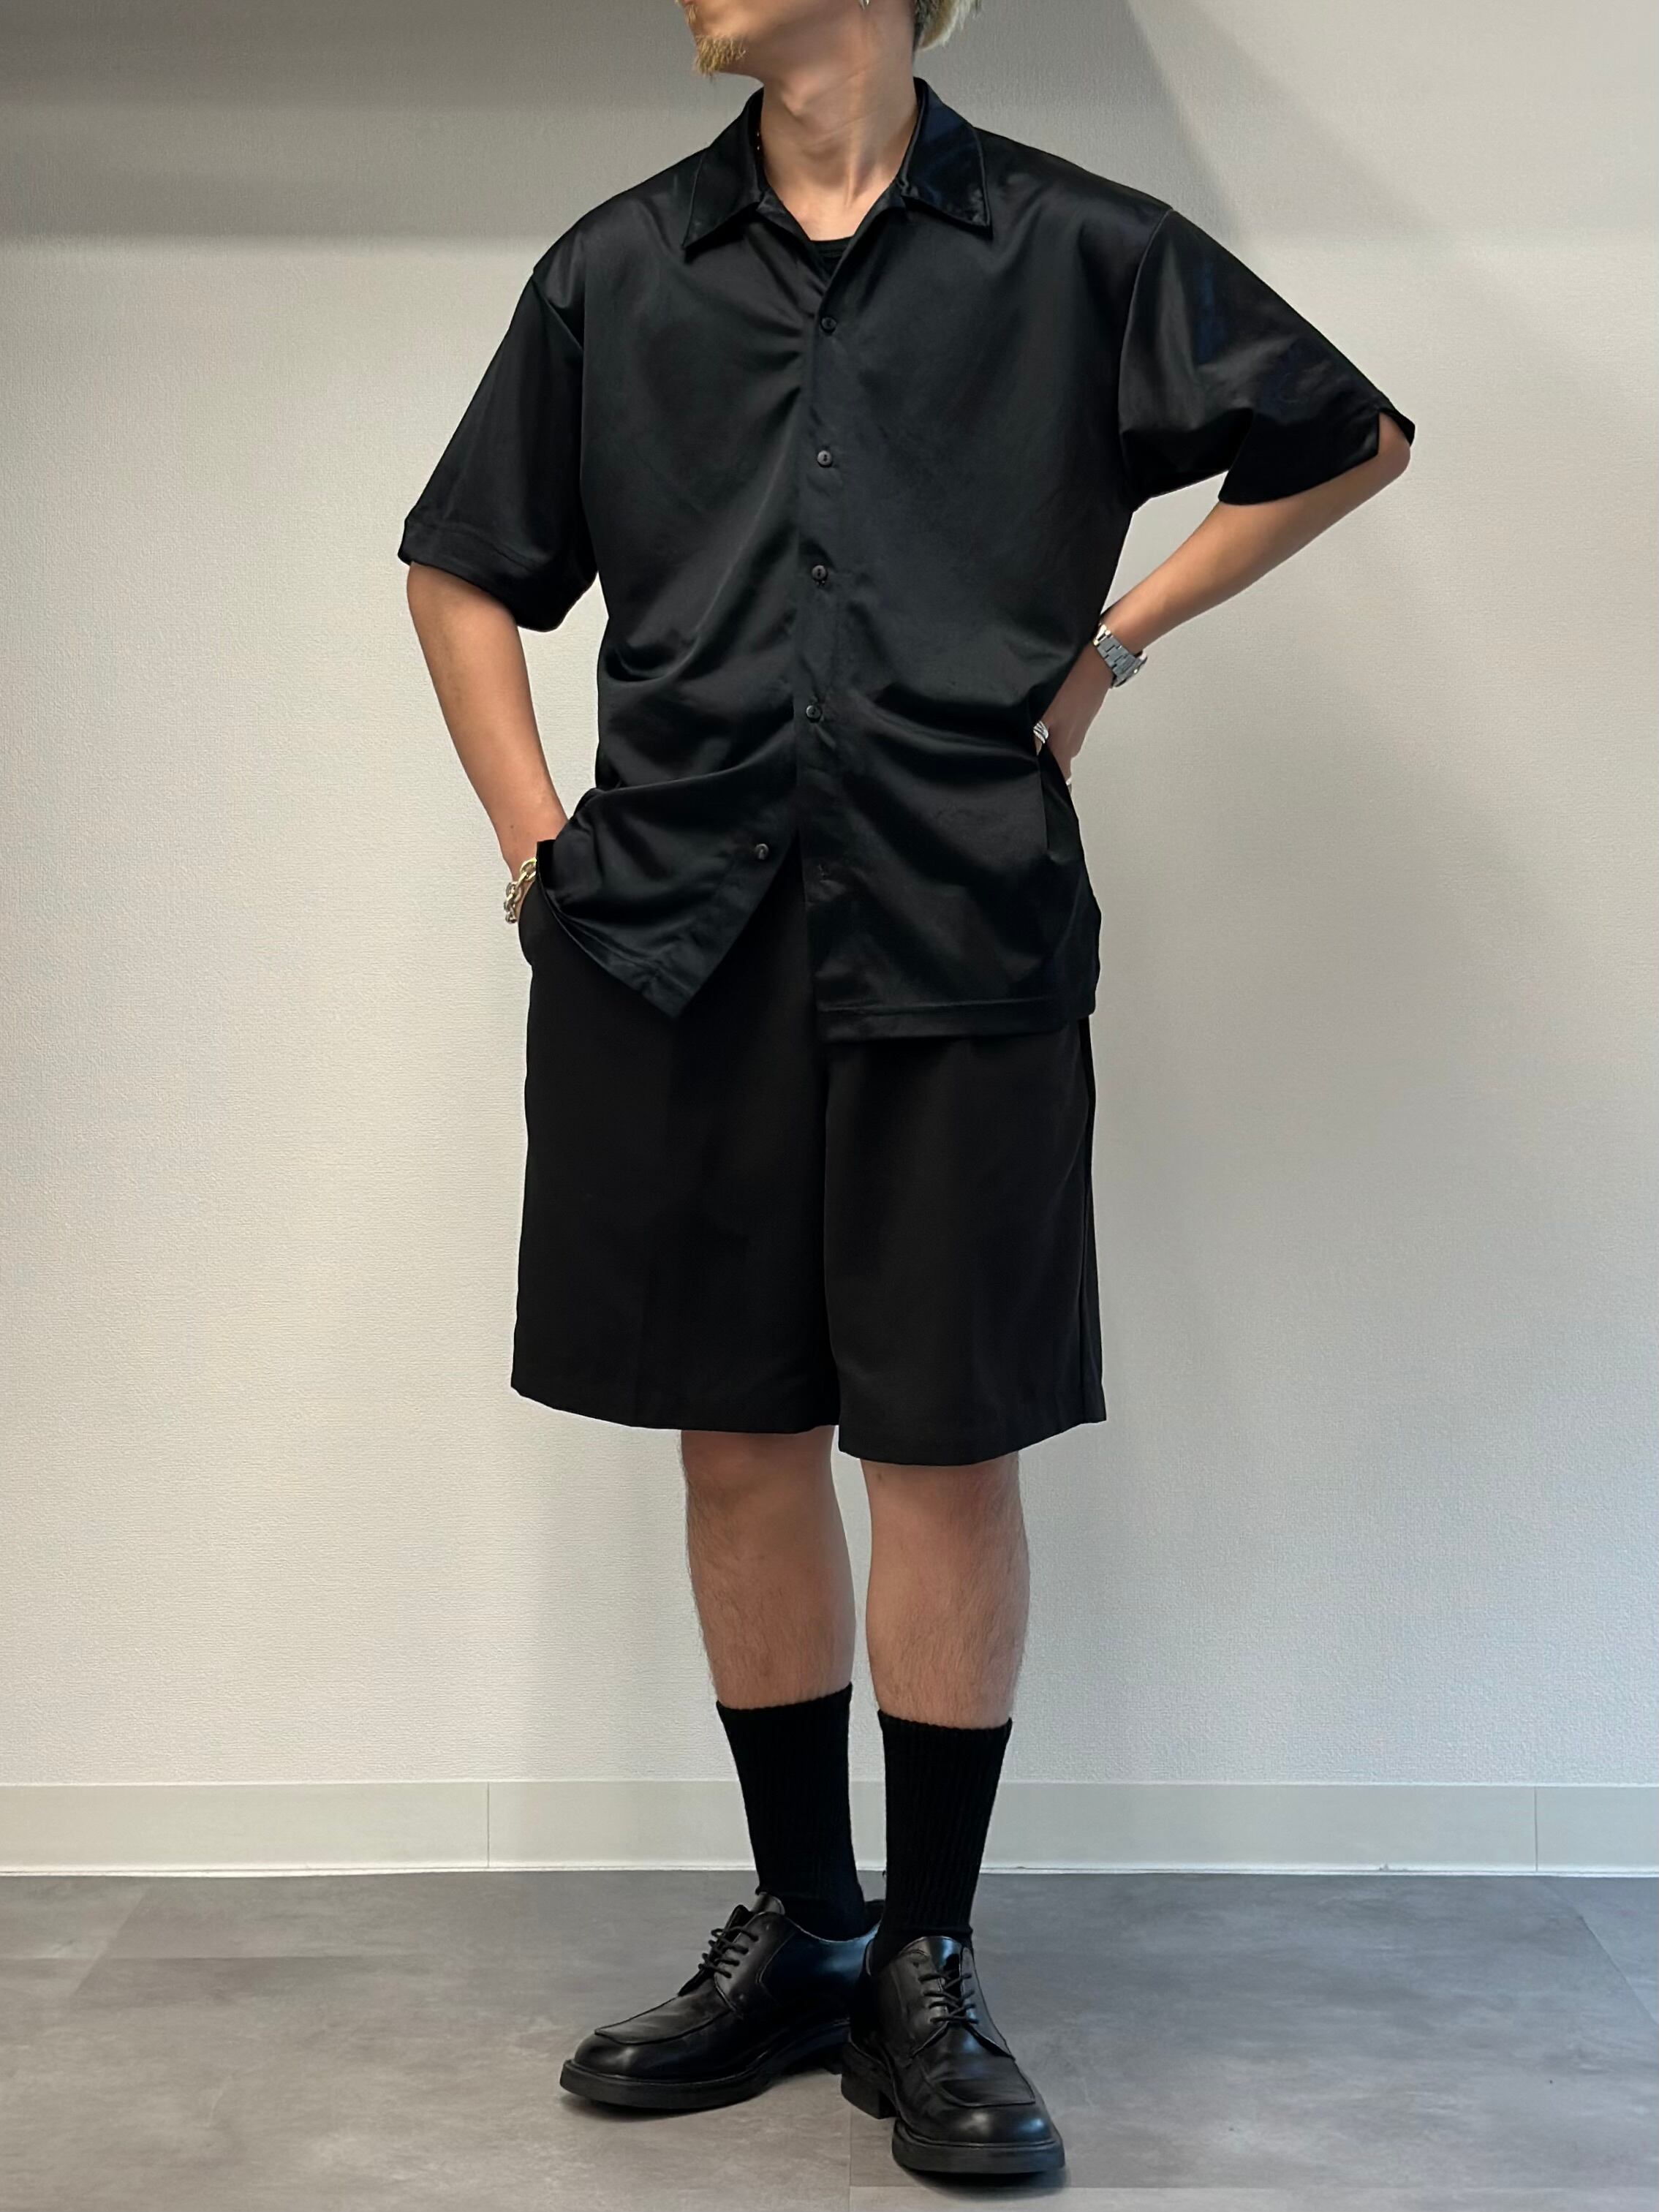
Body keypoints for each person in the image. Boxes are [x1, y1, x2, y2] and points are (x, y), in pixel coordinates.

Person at [398, 0, 1414, 2181]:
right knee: (735, 1434)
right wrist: (536, 848)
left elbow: (1345, 433)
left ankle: (932, 1958)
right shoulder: (615, 269)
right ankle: (809, 1926)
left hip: (962, 925)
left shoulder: (1073, 249)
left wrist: (1111, 645)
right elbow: (461, 563)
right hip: (673, 943)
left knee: (946, 1436)